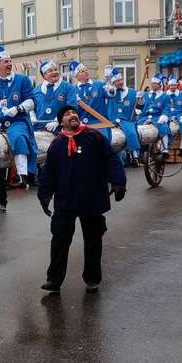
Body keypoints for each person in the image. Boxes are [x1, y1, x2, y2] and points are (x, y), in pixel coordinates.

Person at [38, 104, 126, 294]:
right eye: (68, 114)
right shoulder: (57, 144)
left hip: (91, 198)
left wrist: (119, 183)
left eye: (74, 113)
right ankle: (54, 280)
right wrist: (44, 195)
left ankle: (92, 279)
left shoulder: (93, 137)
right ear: (61, 121)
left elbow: (112, 159)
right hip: (65, 200)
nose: (72, 116)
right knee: (60, 240)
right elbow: (49, 172)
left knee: (93, 240)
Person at [0, 45, 36, 191]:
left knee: (19, 137)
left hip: (17, 120)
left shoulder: (22, 80)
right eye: (5, 61)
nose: (9, 64)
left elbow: (32, 101)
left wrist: (19, 108)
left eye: (9, 61)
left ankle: (22, 176)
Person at [104, 67, 140, 165]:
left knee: (131, 132)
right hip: (112, 121)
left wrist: (140, 100)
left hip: (127, 120)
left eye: (121, 80)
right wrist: (107, 78)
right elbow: (106, 90)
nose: (120, 82)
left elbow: (141, 105)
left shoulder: (132, 92)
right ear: (113, 83)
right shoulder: (111, 92)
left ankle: (134, 155)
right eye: (117, 81)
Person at [70, 60, 112, 142]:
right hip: (81, 125)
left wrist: (110, 89)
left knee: (102, 144)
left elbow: (110, 95)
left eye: (86, 69)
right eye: (82, 71)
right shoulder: (73, 90)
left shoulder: (100, 84)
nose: (86, 72)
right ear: (77, 76)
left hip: (99, 123)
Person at [32, 59, 77, 134]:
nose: (54, 72)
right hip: (39, 129)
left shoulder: (68, 87)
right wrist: (32, 117)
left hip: (62, 129)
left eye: (55, 70)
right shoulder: (36, 90)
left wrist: (58, 120)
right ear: (44, 75)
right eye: (50, 71)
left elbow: (72, 107)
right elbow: (31, 107)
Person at [137, 74, 171, 158]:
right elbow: (141, 107)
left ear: (160, 85)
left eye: (155, 83)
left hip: (157, 117)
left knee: (163, 127)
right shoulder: (146, 94)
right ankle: (139, 151)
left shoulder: (165, 96)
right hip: (145, 117)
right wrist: (139, 100)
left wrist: (163, 117)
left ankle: (164, 149)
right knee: (137, 127)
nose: (152, 85)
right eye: (152, 83)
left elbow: (167, 108)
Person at [164, 75, 182, 156]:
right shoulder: (164, 95)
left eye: (174, 85)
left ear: (177, 85)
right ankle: (164, 149)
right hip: (167, 115)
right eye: (171, 85)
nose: (173, 87)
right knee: (162, 127)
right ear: (169, 86)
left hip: (179, 115)